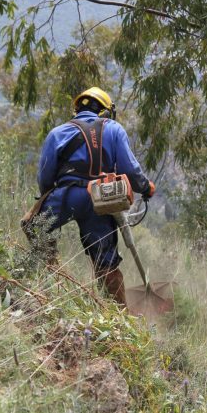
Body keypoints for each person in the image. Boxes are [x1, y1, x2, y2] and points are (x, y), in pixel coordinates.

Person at [29, 86, 155, 306]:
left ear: (77, 109)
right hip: (101, 200)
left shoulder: (58, 133)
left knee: (33, 225)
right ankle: (117, 316)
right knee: (106, 261)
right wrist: (146, 188)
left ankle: (50, 277)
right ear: (105, 111)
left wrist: (48, 196)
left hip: (66, 196)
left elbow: (45, 176)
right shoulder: (114, 129)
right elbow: (130, 170)